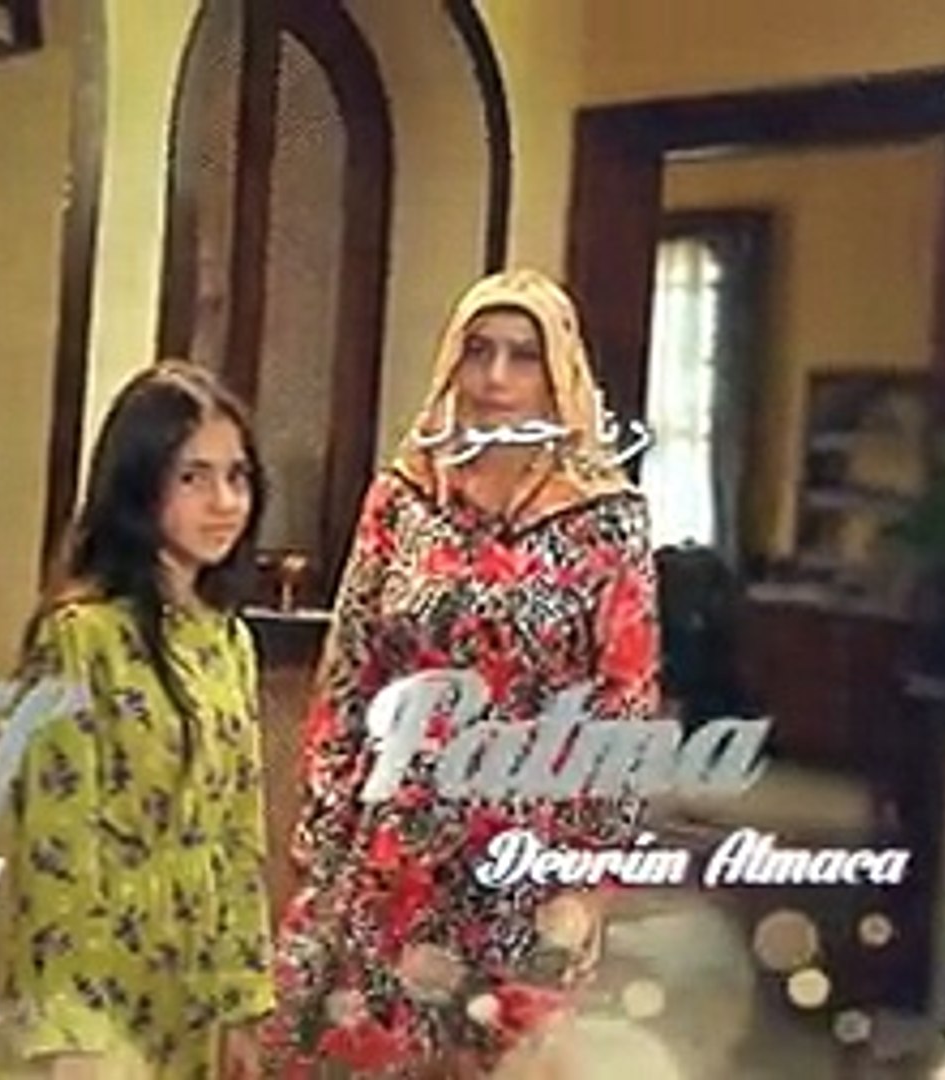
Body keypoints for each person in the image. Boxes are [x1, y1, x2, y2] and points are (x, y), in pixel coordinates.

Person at [263, 270, 661, 1077]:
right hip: (390, 852)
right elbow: (348, 677)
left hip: (525, 857)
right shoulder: (402, 498)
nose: (496, 377)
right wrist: (321, 841)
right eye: (478, 351)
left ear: (557, 376)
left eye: (522, 356)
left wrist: (586, 885)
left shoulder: (605, 519)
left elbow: (625, 706)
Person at [1, 361, 276, 1079]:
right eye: (193, 477)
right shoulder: (79, 638)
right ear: (138, 483)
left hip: (198, 992)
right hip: (102, 993)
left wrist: (245, 1003)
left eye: (237, 477)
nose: (224, 502)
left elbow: (239, 836)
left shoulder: (228, 640)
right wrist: (72, 1035)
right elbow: (55, 852)